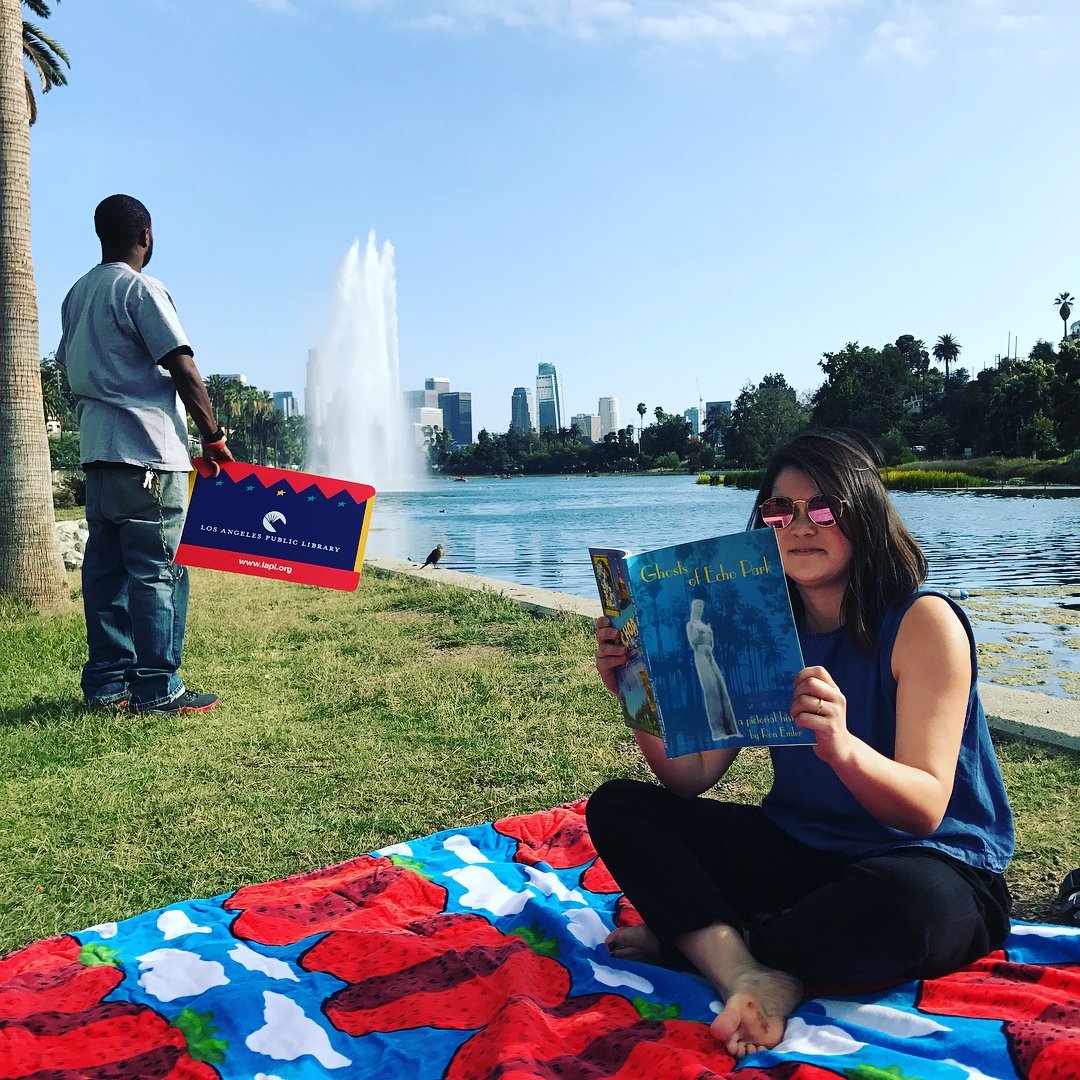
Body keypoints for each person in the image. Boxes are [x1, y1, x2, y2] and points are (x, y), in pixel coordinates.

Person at [586, 430, 1014, 1059]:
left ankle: (706, 941)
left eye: (824, 508)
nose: (801, 526)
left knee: (907, 907)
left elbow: (924, 808)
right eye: (780, 510)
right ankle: (747, 969)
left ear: (864, 515)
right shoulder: (754, 624)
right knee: (619, 808)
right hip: (802, 849)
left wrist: (842, 746)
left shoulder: (923, 622)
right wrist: (636, 691)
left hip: (930, 861)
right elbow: (689, 778)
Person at [57, 194, 234, 714]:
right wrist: (213, 436)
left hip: (98, 455)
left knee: (106, 572)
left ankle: (107, 685)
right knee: (158, 570)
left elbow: (71, 366)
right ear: (146, 235)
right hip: (149, 454)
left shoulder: (77, 294)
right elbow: (182, 366)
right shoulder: (140, 289)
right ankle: (159, 688)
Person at [686, 598, 739, 740]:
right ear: (694, 608)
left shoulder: (705, 625)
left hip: (710, 654)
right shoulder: (691, 625)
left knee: (721, 688)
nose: (700, 609)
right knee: (711, 690)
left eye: (702, 607)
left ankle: (730, 729)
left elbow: (711, 644)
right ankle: (718, 730)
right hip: (701, 655)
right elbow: (694, 643)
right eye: (698, 606)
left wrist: (708, 632)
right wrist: (701, 632)